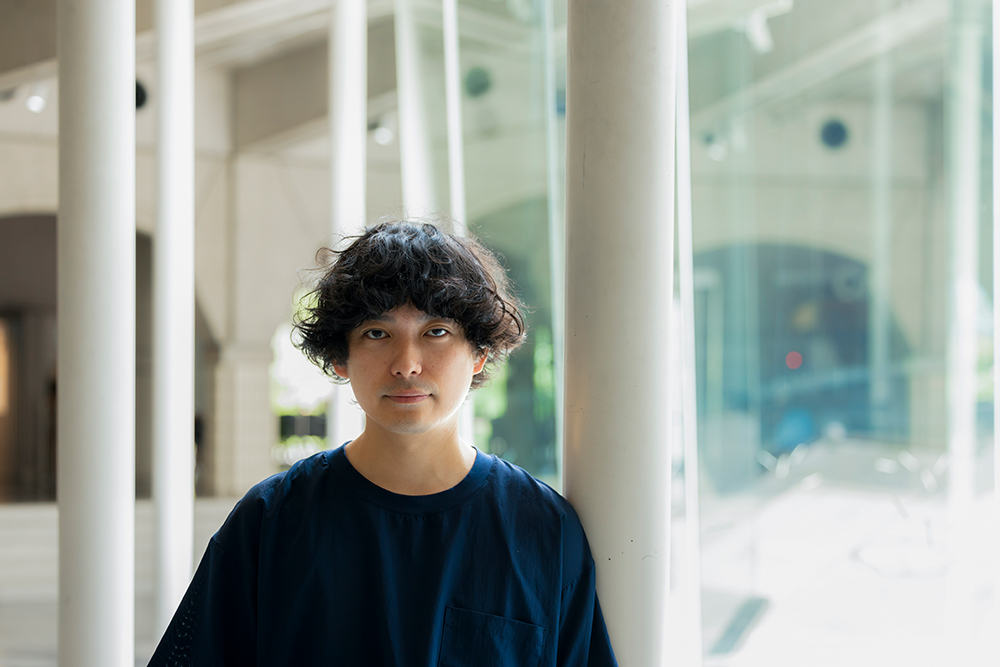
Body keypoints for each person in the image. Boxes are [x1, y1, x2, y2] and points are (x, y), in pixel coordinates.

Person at [148, 221, 617, 666]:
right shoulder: (270, 521)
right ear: (340, 356)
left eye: (436, 332)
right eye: (377, 333)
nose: (406, 363)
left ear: (479, 352)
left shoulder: (543, 529)